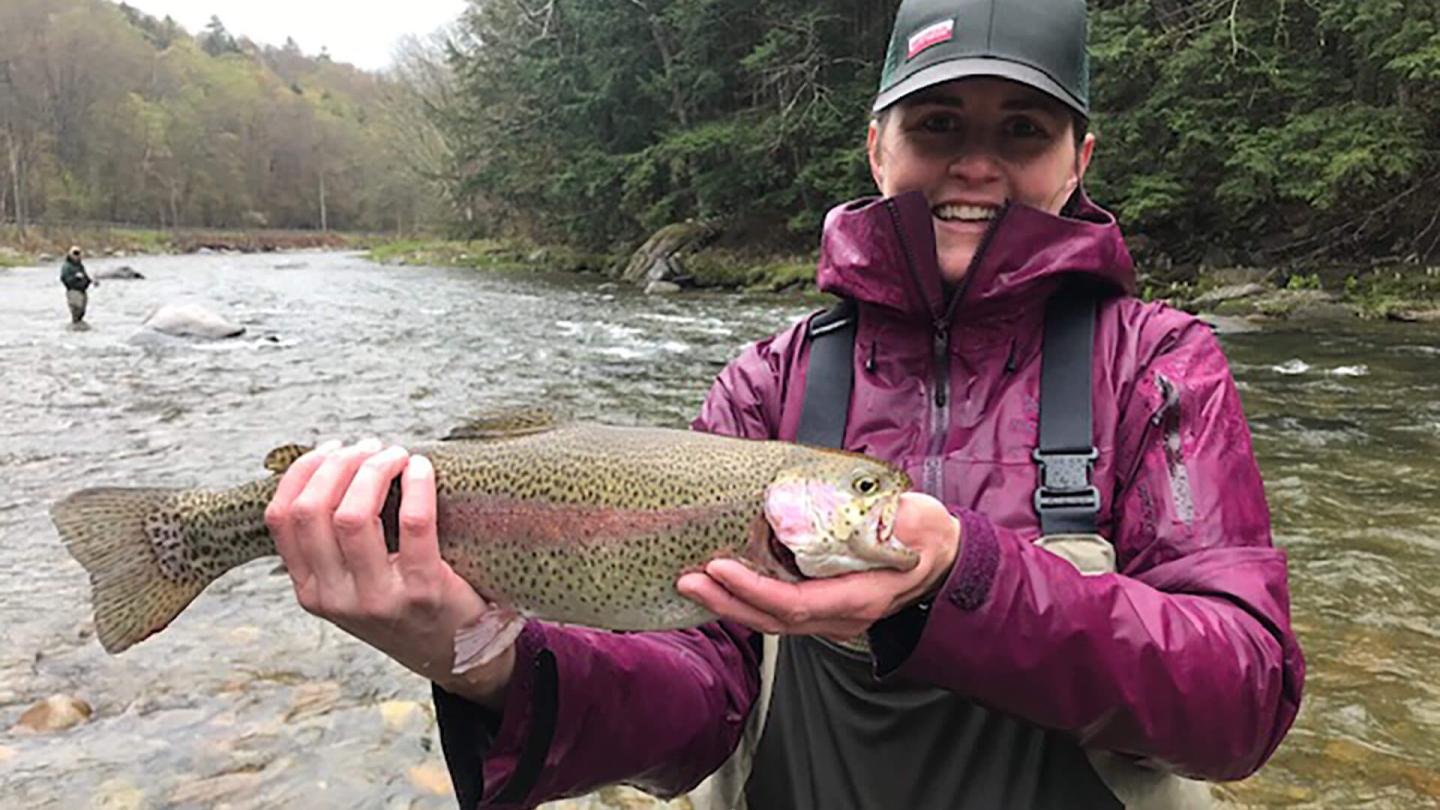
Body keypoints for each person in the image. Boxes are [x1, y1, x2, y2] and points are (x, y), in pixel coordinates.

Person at [263, 0, 1305, 807]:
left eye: (1023, 131)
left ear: (1080, 160)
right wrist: (490, 661)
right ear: (878, 146)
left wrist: (961, 579)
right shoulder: (770, 383)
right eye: (938, 124)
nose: (976, 164)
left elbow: (1242, 700)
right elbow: (695, 707)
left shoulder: (1155, 367)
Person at [60, 246, 95, 324]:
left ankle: (78, 328)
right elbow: (65, 279)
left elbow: (85, 276)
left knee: (82, 313)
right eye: (75, 253)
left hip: (82, 291)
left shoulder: (80, 266)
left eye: (78, 253)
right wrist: (75, 277)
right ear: (70, 254)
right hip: (73, 292)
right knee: (76, 312)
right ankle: (75, 328)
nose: (77, 255)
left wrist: (91, 282)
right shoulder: (66, 266)